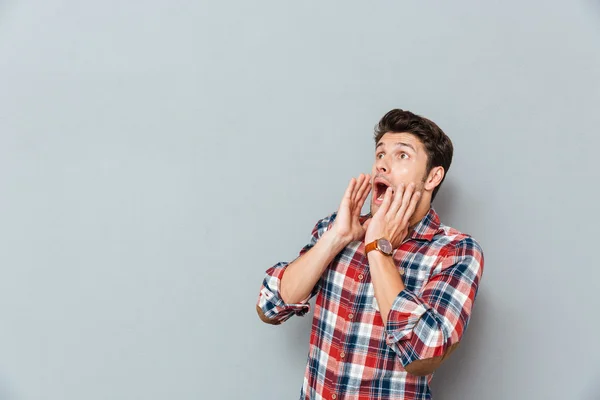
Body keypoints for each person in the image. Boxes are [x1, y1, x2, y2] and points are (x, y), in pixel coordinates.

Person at [256, 109, 484, 400]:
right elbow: (270, 306)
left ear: (433, 177)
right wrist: (336, 238)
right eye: (380, 155)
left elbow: (424, 353)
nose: (383, 166)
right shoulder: (338, 228)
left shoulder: (455, 251)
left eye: (402, 156)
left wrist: (378, 246)